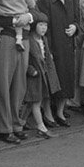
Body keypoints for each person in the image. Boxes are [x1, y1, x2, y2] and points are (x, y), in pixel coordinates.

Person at [38, 0, 79, 127]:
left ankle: (60, 112)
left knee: (66, 80)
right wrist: (47, 50)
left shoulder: (72, 0)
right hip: (53, 47)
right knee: (51, 83)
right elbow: (43, 26)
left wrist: (75, 27)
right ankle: (48, 114)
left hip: (68, 47)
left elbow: (77, 19)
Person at [24, 10, 59, 139]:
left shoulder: (44, 39)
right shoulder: (29, 39)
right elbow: (25, 58)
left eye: (45, 25)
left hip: (43, 74)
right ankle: (41, 126)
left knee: (34, 102)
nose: (43, 28)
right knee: (35, 101)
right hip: (34, 75)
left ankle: (21, 122)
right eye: (40, 25)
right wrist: (30, 69)